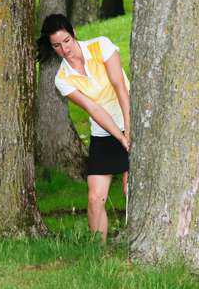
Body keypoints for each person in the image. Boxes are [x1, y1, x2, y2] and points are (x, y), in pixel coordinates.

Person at [37, 13, 130, 242]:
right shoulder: (62, 79)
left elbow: (120, 87)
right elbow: (94, 109)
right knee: (95, 198)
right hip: (103, 131)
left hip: (130, 119)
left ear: (74, 34)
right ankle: (97, 251)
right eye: (57, 46)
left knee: (130, 190)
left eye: (66, 40)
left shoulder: (101, 46)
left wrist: (129, 131)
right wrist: (120, 138)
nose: (64, 49)